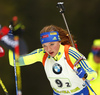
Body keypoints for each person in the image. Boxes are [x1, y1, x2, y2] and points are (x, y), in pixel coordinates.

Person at [9, 25, 97, 95]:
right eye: (45, 46)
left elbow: (93, 74)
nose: (48, 49)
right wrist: (11, 41)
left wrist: (85, 75)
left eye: (52, 44)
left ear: (59, 41)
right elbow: (14, 62)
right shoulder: (42, 54)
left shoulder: (69, 52)